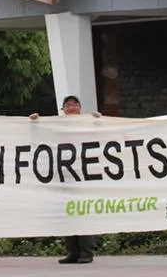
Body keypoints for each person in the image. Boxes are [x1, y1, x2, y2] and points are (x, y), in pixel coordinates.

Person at [30, 95, 102, 264]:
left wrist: (100, 120)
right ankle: (73, 252)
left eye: (74, 104)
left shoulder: (87, 124)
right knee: (67, 215)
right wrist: (35, 122)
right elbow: (40, 136)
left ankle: (86, 252)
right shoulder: (57, 127)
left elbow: (102, 136)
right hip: (64, 178)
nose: (71, 107)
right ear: (62, 109)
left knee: (82, 213)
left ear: (80, 108)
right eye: (67, 105)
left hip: (84, 177)